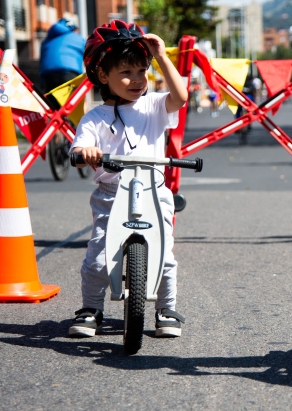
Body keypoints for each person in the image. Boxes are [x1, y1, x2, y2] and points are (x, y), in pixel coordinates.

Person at [67, 20, 188, 338]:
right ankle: (91, 309)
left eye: (141, 71)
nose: (136, 80)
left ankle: (166, 308)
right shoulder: (95, 117)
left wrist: (161, 55)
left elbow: (182, 95)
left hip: (153, 189)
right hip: (111, 192)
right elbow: (79, 146)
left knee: (164, 254)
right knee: (98, 257)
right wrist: (87, 151)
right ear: (103, 76)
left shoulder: (154, 105)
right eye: (126, 72)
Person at [39, 18, 85, 95]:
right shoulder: (78, 38)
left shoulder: (46, 41)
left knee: (52, 104)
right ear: (73, 29)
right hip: (70, 74)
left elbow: (42, 62)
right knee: (74, 103)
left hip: (48, 76)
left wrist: (42, 83)